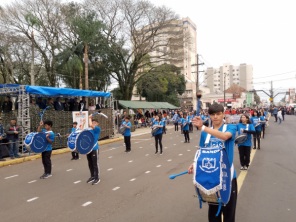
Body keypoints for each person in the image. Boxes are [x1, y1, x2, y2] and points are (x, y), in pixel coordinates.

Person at [188, 103, 237, 222]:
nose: (215, 117)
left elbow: (225, 137)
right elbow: (201, 152)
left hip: (228, 177)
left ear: (223, 114)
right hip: (211, 177)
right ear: (209, 116)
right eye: (213, 114)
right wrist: (194, 164)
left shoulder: (231, 127)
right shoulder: (205, 133)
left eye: (218, 114)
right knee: (213, 214)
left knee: (229, 214)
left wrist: (203, 127)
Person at [86, 114, 101, 185]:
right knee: (90, 163)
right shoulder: (89, 130)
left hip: (95, 148)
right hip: (88, 149)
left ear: (97, 124)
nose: (93, 123)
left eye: (95, 122)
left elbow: (91, 125)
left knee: (95, 164)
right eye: (93, 122)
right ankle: (92, 176)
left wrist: (89, 118)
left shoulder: (97, 129)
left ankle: (97, 178)